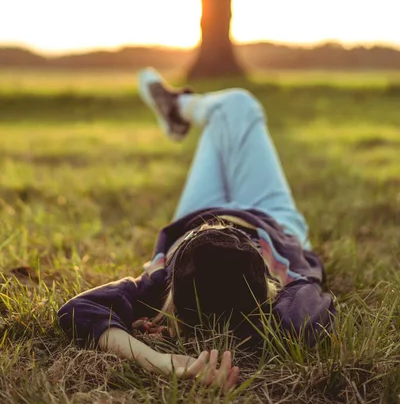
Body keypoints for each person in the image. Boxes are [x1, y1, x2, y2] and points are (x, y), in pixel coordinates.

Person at [58, 69, 336, 392]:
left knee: (228, 115)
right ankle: (180, 107)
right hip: (272, 221)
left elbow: (77, 310)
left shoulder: (161, 283)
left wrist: (163, 362)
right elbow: (310, 318)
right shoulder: (289, 305)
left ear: (172, 299)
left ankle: (179, 109)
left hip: (197, 214)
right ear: (268, 289)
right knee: (236, 107)